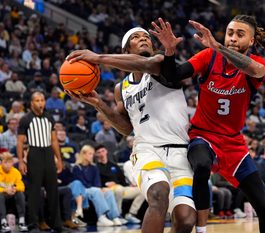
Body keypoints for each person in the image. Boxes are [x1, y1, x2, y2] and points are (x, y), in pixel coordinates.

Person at [148, 16, 265, 233]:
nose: (233, 38)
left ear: (252, 41)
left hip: (233, 143)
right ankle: (202, 229)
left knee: (263, 207)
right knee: (202, 166)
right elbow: (174, 76)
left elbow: (256, 71)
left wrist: (217, 46)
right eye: (230, 32)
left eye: (240, 34)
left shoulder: (257, 63)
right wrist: (169, 51)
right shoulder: (209, 56)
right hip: (203, 136)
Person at [66, 26, 196, 233]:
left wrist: (98, 57)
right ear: (126, 51)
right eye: (136, 37)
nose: (143, 39)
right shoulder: (121, 88)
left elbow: (147, 64)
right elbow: (126, 128)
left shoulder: (161, 63)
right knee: (158, 193)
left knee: (186, 220)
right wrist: (99, 102)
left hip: (181, 152)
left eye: (146, 37)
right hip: (147, 150)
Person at [16, 91, 63, 233]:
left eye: (42, 100)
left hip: (48, 153)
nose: (40, 103)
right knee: (34, 191)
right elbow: (19, 142)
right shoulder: (26, 119)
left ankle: (57, 225)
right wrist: (21, 161)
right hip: (34, 153)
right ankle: (33, 224)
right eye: (37, 100)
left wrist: (59, 159)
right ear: (32, 103)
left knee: (53, 190)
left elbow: (54, 140)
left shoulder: (49, 118)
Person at [95, 144, 145, 224]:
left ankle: (131, 214)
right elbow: (96, 182)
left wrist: (130, 185)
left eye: (103, 151)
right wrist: (104, 186)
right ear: (96, 155)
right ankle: (118, 215)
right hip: (108, 189)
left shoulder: (114, 165)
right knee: (118, 189)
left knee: (142, 190)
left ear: (106, 151)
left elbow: (122, 181)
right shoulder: (96, 167)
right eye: (99, 152)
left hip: (121, 188)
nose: (101, 154)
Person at [0, 152, 27, 232]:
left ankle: (22, 221)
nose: (8, 165)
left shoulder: (15, 172)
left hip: (12, 194)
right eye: (6, 162)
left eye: (10, 162)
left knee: (20, 194)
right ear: (1, 163)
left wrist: (15, 189)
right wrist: (5, 190)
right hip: (2, 194)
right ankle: (3, 222)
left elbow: (22, 186)